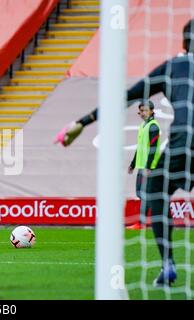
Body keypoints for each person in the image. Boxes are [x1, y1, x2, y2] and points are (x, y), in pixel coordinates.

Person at [56, 18, 194, 287]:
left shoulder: (174, 67)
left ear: (184, 43)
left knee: (156, 187)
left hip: (183, 141)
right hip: (182, 141)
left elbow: (124, 97)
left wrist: (81, 123)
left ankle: (167, 263)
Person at [127, 101, 161, 229]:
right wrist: (133, 164)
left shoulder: (153, 126)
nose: (142, 113)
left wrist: (148, 166)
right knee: (142, 194)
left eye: (144, 110)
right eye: (140, 111)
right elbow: (140, 148)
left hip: (149, 167)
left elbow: (152, 148)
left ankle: (142, 223)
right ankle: (144, 222)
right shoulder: (143, 126)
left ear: (151, 111)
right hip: (142, 166)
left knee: (145, 194)